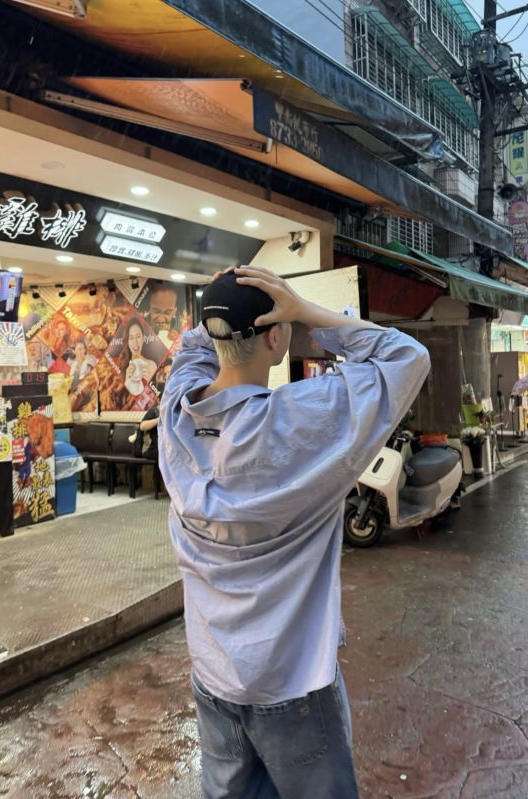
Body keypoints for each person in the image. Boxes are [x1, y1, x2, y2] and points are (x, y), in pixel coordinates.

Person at [159, 266, 430, 799]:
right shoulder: (304, 422)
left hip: (212, 676)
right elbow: (406, 357)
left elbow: (192, 349)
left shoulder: (177, 414)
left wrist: (223, 300)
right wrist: (305, 309)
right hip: (293, 683)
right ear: (276, 338)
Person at [118, 318, 157, 397]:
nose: (135, 342)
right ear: (127, 341)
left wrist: (151, 383)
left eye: (138, 337)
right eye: (131, 338)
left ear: (143, 338)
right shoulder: (120, 365)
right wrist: (126, 382)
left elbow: (157, 396)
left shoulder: (152, 365)